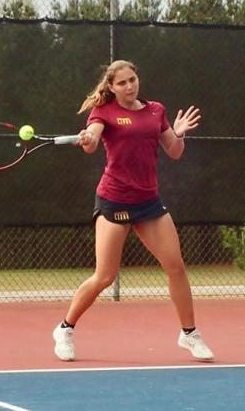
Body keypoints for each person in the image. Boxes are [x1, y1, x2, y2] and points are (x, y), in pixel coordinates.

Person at [52, 60, 214, 362]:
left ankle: (189, 334)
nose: (130, 86)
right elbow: (92, 141)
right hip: (114, 200)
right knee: (104, 276)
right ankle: (65, 329)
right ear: (111, 87)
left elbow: (174, 152)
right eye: (123, 82)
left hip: (148, 202)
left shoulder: (155, 110)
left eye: (133, 79)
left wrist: (178, 133)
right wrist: (87, 139)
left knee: (175, 266)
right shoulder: (103, 112)